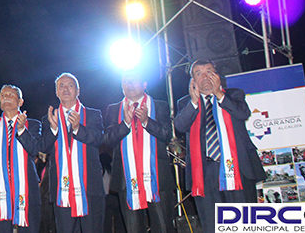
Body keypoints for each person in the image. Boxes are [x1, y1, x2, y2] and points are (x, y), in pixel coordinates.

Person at [174, 59, 265, 233]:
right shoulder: (185, 102)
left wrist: (219, 94)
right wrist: (194, 102)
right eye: (198, 73)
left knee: (244, 223)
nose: (205, 77)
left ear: (217, 75)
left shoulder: (233, 94)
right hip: (204, 172)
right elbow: (180, 125)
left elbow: (242, 113)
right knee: (212, 224)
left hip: (237, 168)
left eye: (209, 71)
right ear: (192, 80)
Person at [103, 73, 175, 233]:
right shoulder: (114, 109)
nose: (129, 84)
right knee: (133, 228)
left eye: (133, 80)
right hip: (126, 180)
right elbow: (107, 140)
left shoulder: (159, 105)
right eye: (125, 81)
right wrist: (125, 123)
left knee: (163, 226)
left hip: (158, 178)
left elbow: (167, 135)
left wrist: (147, 121)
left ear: (144, 83)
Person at [41, 73, 105, 232]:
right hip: (62, 189)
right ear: (56, 92)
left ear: (78, 91)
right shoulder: (49, 118)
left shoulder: (92, 114)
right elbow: (43, 147)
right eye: (61, 86)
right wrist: (53, 129)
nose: (65, 89)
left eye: (70, 85)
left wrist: (78, 128)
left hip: (90, 188)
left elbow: (99, 140)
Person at [0, 85, 42, 232]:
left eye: (11, 95)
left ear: (20, 102)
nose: (6, 97)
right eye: (3, 95)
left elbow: (35, 150)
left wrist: (21, 130)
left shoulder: (32, 124)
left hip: (26, 193)